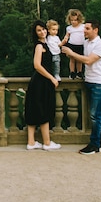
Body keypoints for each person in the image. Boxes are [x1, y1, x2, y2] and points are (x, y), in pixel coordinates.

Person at [62, 20, 101, 155]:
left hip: (99, 83)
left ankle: (94, 145)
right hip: (89, 81)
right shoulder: (87, 43)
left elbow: (88, 60)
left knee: (94, 115)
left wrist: (71, 53)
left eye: (87, 28)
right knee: (98, 114)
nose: (84, 31)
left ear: (96, 30)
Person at [25, 20, 61, 151]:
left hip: (40, 82)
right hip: (41, 82)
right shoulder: (39, 46)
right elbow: (37, 65)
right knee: (43, 110)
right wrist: (52, 78)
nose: (43, 32)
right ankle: (46, 142)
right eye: (39, 30)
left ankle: (31, 142)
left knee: (34, 110)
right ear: (35, 33)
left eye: (44, 29)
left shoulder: (47, 44)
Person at [60, 9, 85, 79]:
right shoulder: (69, 28)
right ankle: (72, 72)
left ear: (79, 19)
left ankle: (79, 72)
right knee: (72, 59)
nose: (73, 22)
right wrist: (65, 40)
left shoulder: (83, 26)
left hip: (80, 45)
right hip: (72, 45)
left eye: (75, 20)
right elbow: (67, 35)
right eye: (72, 20)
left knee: (79, 59)